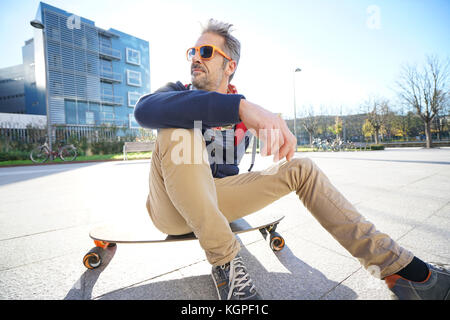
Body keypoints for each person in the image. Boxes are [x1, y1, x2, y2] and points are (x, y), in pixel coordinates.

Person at [134, 19, 450, 300]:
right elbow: (145, 110)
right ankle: (228, 269)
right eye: (192, 51)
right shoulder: (176, 92)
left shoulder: (241, 116)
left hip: (216, 201)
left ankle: (401, 269)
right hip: (171, 210)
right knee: (179, 128)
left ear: (230, 65)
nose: (194, 59)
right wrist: (240, 107)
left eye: (205, 52)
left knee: (302, 168)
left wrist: (252, 121)